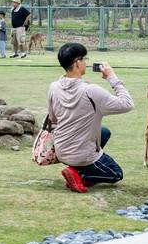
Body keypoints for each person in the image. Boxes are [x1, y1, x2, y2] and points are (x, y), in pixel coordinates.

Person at [48, 43, 133, 193]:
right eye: (84, 59)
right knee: (116, 174)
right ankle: (79, 174)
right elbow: (127, 104)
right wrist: (112, 77)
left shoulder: (54, 87)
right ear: (77, 63)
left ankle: (76, 167)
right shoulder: (90, 91)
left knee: (104, 132)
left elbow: (53, 118)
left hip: (61, 149)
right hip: (80, 153)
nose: (86, 63)